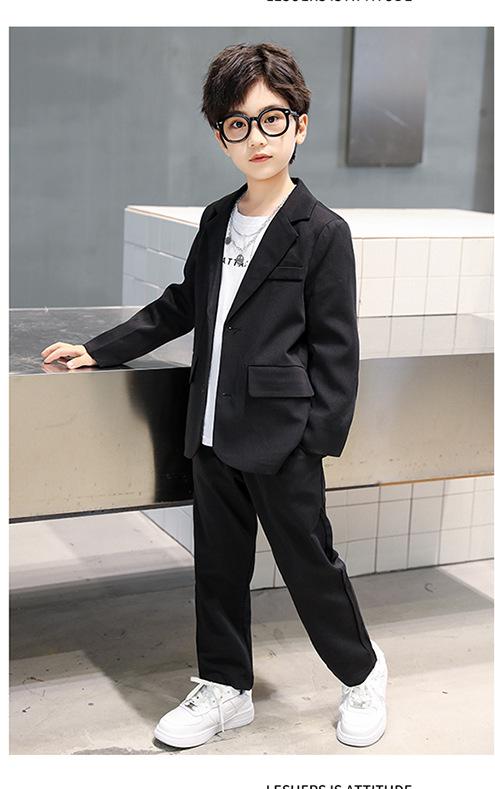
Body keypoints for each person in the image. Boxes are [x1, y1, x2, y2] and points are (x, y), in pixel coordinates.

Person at [40, 42, 388, 749]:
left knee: (309, 567)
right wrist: (101, 348)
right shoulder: (217, 218)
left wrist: (314, 443)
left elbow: (337, 350)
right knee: (219, 569)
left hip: (283, 440)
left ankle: (363, 673)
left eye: (271, 118)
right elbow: (180, 304)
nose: (256, 136)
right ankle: (226, 688)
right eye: (237, 123)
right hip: (211, 431)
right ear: (221, 135)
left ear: (300, 124)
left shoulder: (323, 231)